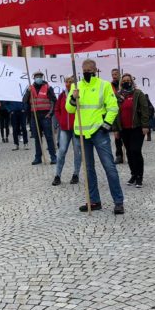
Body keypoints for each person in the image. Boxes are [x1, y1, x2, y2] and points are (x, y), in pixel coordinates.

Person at [66, 59, 123, 214]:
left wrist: (106, 125)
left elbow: (113, 107)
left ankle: (118, 201)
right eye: (85, 69)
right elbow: (69, 110)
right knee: (88, 169)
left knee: (109, 167)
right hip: (81, 134)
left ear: (96, 70)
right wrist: (73, 99)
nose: (87, 71)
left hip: (98, 132)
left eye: (90, 69)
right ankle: (94, 201)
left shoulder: (103, 85)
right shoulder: (75, 86)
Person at [113, 73, 150, 188]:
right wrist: (115, 129)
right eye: (124, 80)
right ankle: (133, 174)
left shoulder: (138, 93)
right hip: (124, 128)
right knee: (128, 152)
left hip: (137, 127)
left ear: (132, 81)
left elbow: (145, 110)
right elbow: (114, 111)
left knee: (136, 151)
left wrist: (145, 125)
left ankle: (140, 176)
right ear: (121, 83)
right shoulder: (118, 95)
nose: (126, 82)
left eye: (128, 80)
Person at [22, 70, 57, 165]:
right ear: (34, 78)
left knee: (49, 137)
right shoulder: (30, 88)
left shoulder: (48, 88)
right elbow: (24, 100)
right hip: (35, 116)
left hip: (45, 115)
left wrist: (50, 114)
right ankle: (38, 158)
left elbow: (54, 101)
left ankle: (53, 157)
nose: (38, 78)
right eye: (37, 77)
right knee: (37, 138)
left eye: (40, 77)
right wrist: (28, 92)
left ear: (42, 78)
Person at [53, 76, 80, 186]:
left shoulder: (79, 94)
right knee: (62, 151)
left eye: (70, 82)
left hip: (76, 128)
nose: (68, 83)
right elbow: (57, 109)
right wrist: (60, 121)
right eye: (67, 81)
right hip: (64, 128)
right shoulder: (61, 95)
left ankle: (76, 174)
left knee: (77, 152)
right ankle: (57, 175)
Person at [110, 68, 125, 163]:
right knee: (117, 136)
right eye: (113, 74)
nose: (114, 76)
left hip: (125, 113)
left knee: (126, 137)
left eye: (116, 74)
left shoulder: (124, 84)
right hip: (115, 113)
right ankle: (119, 155)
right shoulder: (110, 86)